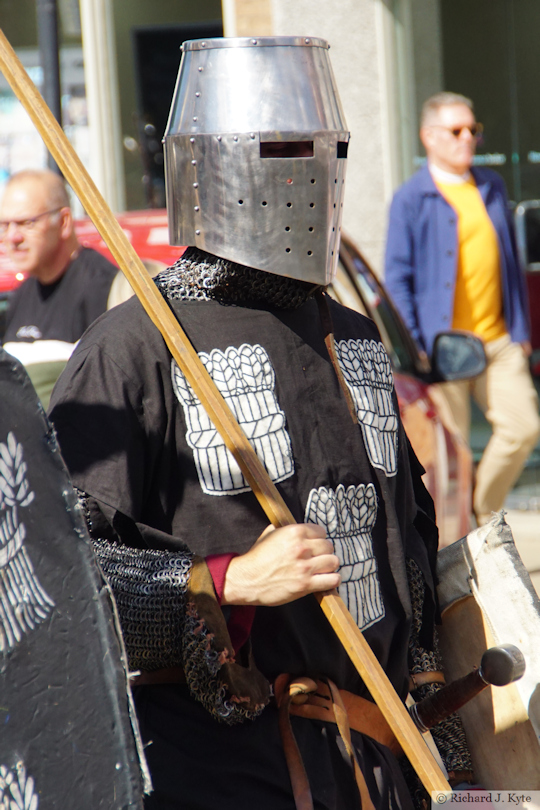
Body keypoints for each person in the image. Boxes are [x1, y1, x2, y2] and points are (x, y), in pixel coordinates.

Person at [49, 39, 471, 809]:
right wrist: (228, 583)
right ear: (207, 165)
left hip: (375, 758)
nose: (304, 176)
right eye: (277, 152)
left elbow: (406, 547)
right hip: (219, 771)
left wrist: (447, 745)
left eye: (323, 151)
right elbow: (57, 582)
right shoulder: (135, 345)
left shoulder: (355, 337)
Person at [384, 92, 540, 526]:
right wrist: (417, 348)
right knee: (452, 454)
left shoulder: (491, 185)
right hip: (443, 349)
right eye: (456, 130)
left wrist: (521, 330)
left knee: (523, 427)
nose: (467, 138)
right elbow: (396, 279)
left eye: (473, 130)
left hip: (497, 340)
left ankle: (483, 509)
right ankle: (463, 554)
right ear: (429, 137)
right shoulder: (411, 199)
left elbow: (510, 263)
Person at [0, 169, 118, 406]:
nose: (13, 237)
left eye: (26, 223)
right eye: (4, 225)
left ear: (64, 222)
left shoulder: (102, 288)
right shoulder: (21, 294)